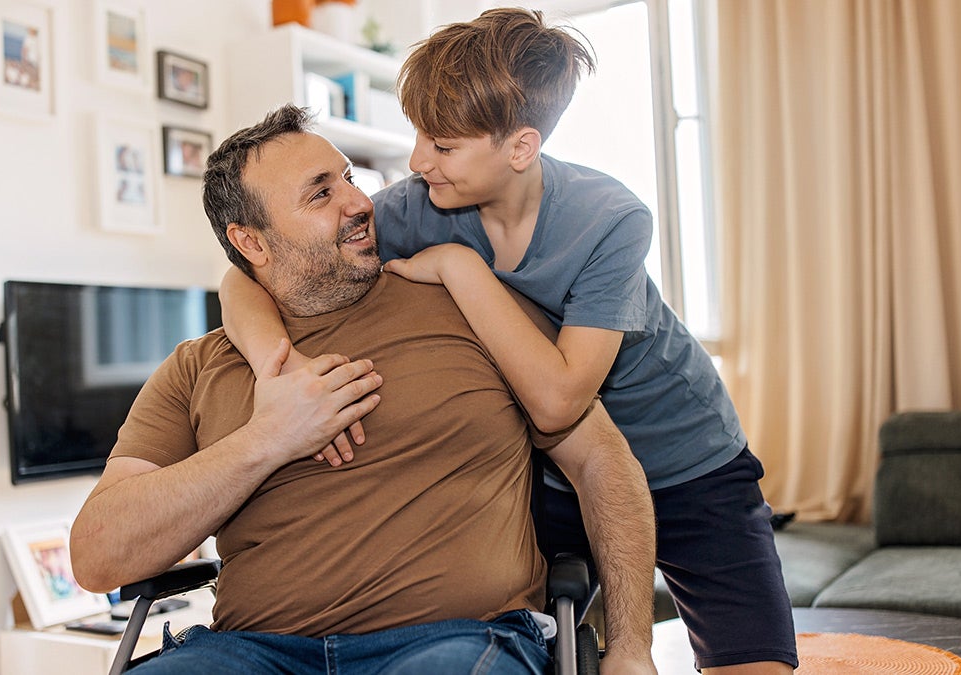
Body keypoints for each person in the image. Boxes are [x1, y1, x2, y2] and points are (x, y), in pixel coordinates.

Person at [218, 8, 797, 674]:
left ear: (520, 147)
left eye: (441, 144)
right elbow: (245, 276)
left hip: (690, 458)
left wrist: (460, 270)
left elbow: (557, 401)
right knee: (525, 640)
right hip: (555, 472)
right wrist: (276, 365)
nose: (416, 160)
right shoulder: (415, 208)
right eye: (417, 137)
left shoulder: (610, 219)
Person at [69, 104, 658, 674]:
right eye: (321, 193)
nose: (359, 203)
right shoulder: (199, 366)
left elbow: (603, 462)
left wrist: (631, 648)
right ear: (251, 243)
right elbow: (98, 556)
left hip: (457, 639)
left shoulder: (469, 311)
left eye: (349, 178)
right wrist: (267, 440)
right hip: (251, 652)